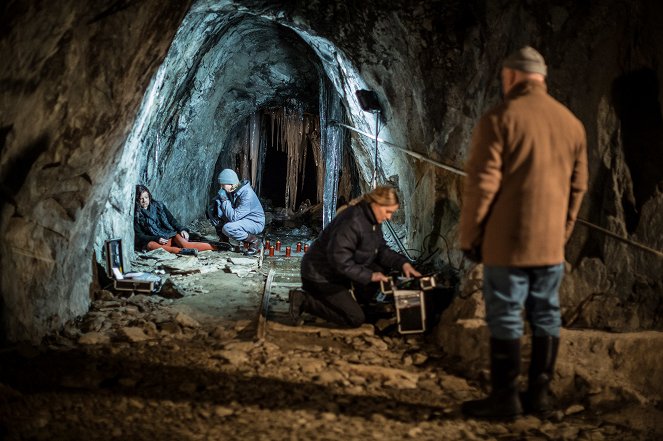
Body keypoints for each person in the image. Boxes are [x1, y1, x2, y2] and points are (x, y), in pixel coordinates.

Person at [459, 46, 588, 419]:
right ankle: (540, 396)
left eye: (504, 79)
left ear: (512, 76)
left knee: (507, 315)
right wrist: (562, 232)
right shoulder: (571, 123)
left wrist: (471, 237)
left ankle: (505, 399)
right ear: (541, 78)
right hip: (550, 245)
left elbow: (482, 186)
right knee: (547, 314)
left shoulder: (501, 118)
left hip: (507, 244)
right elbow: (578, 187)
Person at [290, 186, 421, 328]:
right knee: (355, 318)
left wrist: (403, 264)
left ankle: (359, 303)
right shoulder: (352, 221)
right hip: (320, 276)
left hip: (338, 274)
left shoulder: (371, 222)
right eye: (388, 211)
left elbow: (381, 250)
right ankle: (305, 301)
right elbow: (339, 260)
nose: (388, 217)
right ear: (376, 204)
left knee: (379, 271)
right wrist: (370, 276)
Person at [134, 185, 217, 255]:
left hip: (169, 234)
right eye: (141, 198)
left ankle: (216, 246)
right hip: (157, 240)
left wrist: (182, 229)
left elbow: (172, 220)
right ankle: (182, 252)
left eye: (146, 197)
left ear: (149, 197)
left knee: (185, 244)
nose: (144, 200)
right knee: (150, 245)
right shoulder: (137, 215)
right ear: (137, 200)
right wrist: (156, 238)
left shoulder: (158, 206)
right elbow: (140, 236)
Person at [210, 169, 265, 256]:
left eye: (222, 185)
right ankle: (224, 241)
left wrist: (224, 199)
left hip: (255, 222)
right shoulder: (233, 190)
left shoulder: (247, 194)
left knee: (228, 228)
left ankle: (254, 241)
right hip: (242, 219)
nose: (221, 187)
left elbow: (234, 217)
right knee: (216, 204)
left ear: (230, 183)